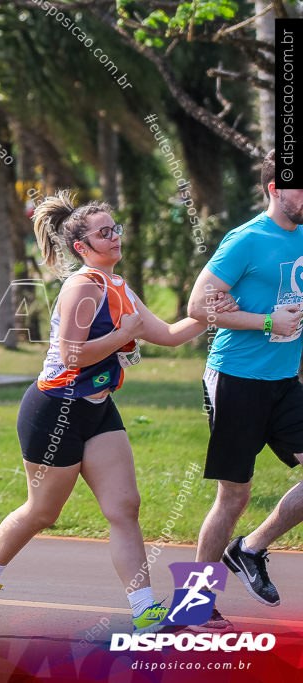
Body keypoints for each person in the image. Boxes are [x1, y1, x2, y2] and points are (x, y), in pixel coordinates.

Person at [0, 190, 238, 633]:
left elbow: (168, 334)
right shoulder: (82, 287)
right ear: (81, 247)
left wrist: (209, 312)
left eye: (116, 229)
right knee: (43, 512)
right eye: (103, 232)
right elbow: (72, 355)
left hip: (97, 409)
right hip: (54, 410)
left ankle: (145, 609)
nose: (115, 237)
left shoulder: (119, 286)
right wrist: (122, 335)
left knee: (125, 506)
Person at [185, 150, 303, 633]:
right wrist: (264, 320)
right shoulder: (247, 239)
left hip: (283, 382)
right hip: (235, 378)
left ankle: (250, 548)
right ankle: (194, 606)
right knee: (233, 496)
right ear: (275, 189)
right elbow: (197, 306)